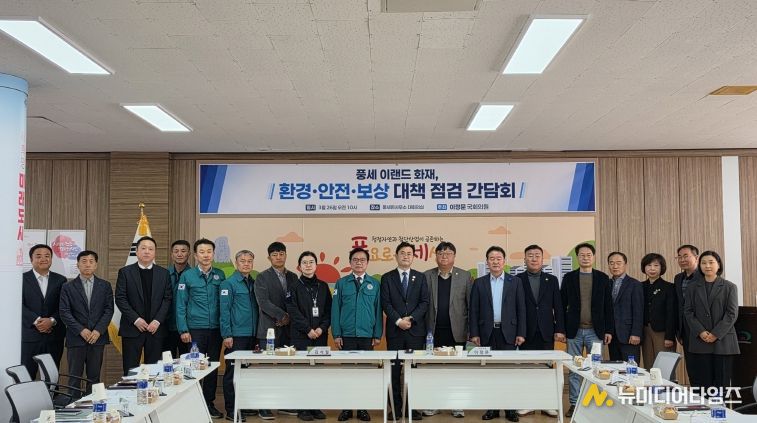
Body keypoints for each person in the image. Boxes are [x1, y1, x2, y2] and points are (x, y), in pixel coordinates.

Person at [469, 246, 525, 423]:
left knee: (508, 371)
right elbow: (473, 310)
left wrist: (521, 332)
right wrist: (474, 333)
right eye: (491, 258)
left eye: (498, 258)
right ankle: (492, 408)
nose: (495, 261)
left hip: (509, 333)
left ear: (504, 261)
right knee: (490, 371)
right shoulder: (479, 283)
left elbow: (521, 309)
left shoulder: (515, 282)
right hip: (487, 333)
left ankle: (510, 409)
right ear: (487, 262)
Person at [561, 243, 613, 418]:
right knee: (574, 370)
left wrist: (608, 330)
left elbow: (608, 307)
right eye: (582, 255)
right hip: (573, 332)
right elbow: (561, 305)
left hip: (596, 332)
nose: (585, 257)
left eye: (588, 254)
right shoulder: (569, 278)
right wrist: (562, 329)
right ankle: (574, 403)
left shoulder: (603, 278)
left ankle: (594, 403)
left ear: (594, 257)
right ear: (577, 257)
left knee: (596, 369)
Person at [176, 238, 226, 419]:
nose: (206, 255)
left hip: (215, 330)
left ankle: (208, 403)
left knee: (211, 367)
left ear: (213, 254)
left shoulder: (220, 275)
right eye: (202, 252)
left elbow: (224, 304)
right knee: (194, 367)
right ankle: (192, 404)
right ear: (196, 255)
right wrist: (183, 329)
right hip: (195, 330)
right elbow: (180, 304)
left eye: (209, 252)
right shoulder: (187, 276)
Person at [422, 241, 471, 419]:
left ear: (454, 256)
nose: (444, 256)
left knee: (456, 369)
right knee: (433, 370)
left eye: (448, 253)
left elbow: (470, 305)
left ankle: (457, 404)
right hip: (433, 332)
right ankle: (434, 403)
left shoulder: (464, 276)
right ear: (436, 256)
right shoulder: (426, 276)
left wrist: (470, 331)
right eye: (441, 253)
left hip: (456, 331)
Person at [381, 242, 429, 421]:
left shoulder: (421, 277)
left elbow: (424, 302)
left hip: (415, 332)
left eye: (409, 253)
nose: (406, 256)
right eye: (402, 253)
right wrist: (398, 321)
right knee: (394, 372)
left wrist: (411, 318)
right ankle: (395, 408)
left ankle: (412, 408)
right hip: (395, 332)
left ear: (413, 257)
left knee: (413, 371)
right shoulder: (387, 278)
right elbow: (386, 303)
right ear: (396, 256)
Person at [333, 248, 382, 422]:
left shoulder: (374, 284)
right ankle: (346, 408)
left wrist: (377, 334)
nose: (359, 262)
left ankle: (362, 408)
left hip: (366, 335)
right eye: (355, 259)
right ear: (350, 262)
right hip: (346, 335)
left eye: (362, 260)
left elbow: (378, 310)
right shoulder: (341, 283)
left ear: (367, 263)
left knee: (365, 373)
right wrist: (336, 333)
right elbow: (335, 309)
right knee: (347, 373)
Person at [516, 244, 564, 418]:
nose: (534, 258)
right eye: (530, 255)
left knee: (547, 369)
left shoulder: (552, 280)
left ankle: (547, 404)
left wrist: (560, 329)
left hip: (546, 331)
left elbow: (558, 306)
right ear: (525, 259)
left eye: (537, 255)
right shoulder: (517, 279)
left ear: (542, 259)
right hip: (525, 332)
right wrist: (518, 331)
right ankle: (528, 403)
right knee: (527, 369)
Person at [58, 250, 114, 396]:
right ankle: (73, 403)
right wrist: (81, 330)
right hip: (76, 338)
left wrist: (98, 331)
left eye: (91, 261)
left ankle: (92, 404)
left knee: (94, 377)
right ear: (78, 265)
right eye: (84, 261)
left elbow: (109, 310)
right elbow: (64, 312)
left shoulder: (105, 286)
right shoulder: (67, 287)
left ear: (96, 265)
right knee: (74, 377)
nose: (87, 264)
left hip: (97, 338)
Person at [115, 236, 172, 375]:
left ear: (155, 252)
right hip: (132, 328)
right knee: (131, 370)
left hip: (155, 329)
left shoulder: (164, 273)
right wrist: (136, 319)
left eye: (151, 249)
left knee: (154, 371)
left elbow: (167, 299)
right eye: (143, 248)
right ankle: (131, 389)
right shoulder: (125, 272)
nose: (147, 251)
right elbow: (120, 298)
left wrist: (157, 321)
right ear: (136, 251)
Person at [683, 251, 739, 391]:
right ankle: (705, 406)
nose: (707, 266)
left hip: (723, 341)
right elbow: (688, 312)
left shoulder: (729, 287)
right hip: (700, 341)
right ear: (700, 266)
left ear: (718, 264)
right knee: (703, 384)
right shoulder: (692, 287)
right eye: (703, 263)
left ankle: (721, 406)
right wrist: (701, 331)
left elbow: (731, 314)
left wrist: (715, 334)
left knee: (722, 384)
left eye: (711, 262)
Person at [255, 241, 299, 420]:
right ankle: (263, 406)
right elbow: (263, 302)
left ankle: (284, 403)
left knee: (286, 368)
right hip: (269, 329)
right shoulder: (262, 277)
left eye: (281, 254)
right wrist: (282, 316)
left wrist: (289, 318)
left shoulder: (294, 277)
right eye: (274, 254)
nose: (278, 257)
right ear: (269, 258)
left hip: (289, 330)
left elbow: (297, 301)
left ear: (286, 255)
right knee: (265, 369)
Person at [286, 251, 331, 421]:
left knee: (317, 371)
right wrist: (307, 329)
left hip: (320, 336)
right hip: (300, 336)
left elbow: (329, 311)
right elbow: (292, 311)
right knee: (302, 371)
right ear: (299, 266)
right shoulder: (293, 287)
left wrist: (321, 329)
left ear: (316, 265)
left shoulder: (323, 286)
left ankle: (315, 406)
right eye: (304, 262)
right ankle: (303, 407)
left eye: (311, 262)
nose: (308, 265)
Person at [220, 250, 259, 422]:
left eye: (249, 261)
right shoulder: (228, 284)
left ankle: (243, 405)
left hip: (252, 335)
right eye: (242, 261)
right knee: (232, 373)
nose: (246, 264)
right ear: (236, 263)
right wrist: (227, 334)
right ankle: (231, 409)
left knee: (245, 372)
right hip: (236, 336)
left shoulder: (254, 283)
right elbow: (224, 311)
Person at [21, 244, 67, 378]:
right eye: (38, 256)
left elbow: (64, 306)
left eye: (47, 256)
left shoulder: (61, 280)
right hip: (29, 336)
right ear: (31, 259)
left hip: (54, 336)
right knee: (27, 376)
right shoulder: (21, 279)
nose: (43, 259)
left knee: (51, 376)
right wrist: (36, 321)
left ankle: (51, 393)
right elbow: (18, 305)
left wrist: (52, 320)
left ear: (51, 259)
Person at [640, 253, 677, 370]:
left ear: (662, 268)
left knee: (664, 367)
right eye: (649, 265)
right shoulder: (639, 286)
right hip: (645, 331)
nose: (652, 269)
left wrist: (669, 336)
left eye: (656, 265)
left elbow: (672, 313)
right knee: (648, 365)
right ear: (644, 267)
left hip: (662, 332)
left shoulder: (669, 287)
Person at [607, 252, 644, 362]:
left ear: (625, 264)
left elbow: (638, 311)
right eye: (611, 263)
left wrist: (636, 333)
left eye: (619, 263)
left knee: (630, 368)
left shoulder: (635, 284)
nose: (615, 266)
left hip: (629, 335)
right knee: (615, 367)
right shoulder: (606, 284)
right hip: (612, 336)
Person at [674, 244, 702, 381]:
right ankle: (695, 393)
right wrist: (679, 331)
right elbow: (678, 305)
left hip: (702, 328)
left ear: (696, 257)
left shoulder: (704, 276)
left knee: (704, 367)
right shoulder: (678, 278)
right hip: (685, 329)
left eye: (686, 256)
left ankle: (707, 394)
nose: (682, 260)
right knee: (691, 368)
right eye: (679, 257)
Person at [165, 239, 191, 357]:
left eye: (183, 251)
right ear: (172, 254)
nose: (179, 254)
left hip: (187, 328)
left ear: (189, 254)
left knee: (187, 361)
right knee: (166, 362)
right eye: (176, 251)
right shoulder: (163, 274)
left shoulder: (194, 275)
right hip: (166, 327)